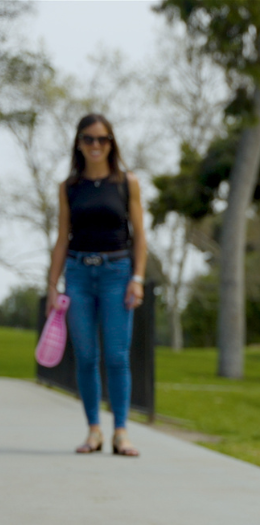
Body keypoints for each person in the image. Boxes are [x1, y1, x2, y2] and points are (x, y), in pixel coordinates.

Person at [46, 113, 147, 456]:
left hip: (117, 273)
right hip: (77, 275)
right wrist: (52, 287)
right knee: (87, 356)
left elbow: (139, 236)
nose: (95, 145)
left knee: (117, 356)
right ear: (78, 142)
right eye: (88, 138)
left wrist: (138, 278)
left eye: (102, 139)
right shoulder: (69, 188)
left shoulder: (126, 182)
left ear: (111, 143)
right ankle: (93, 431)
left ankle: (121, 432)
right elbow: (62, 239)